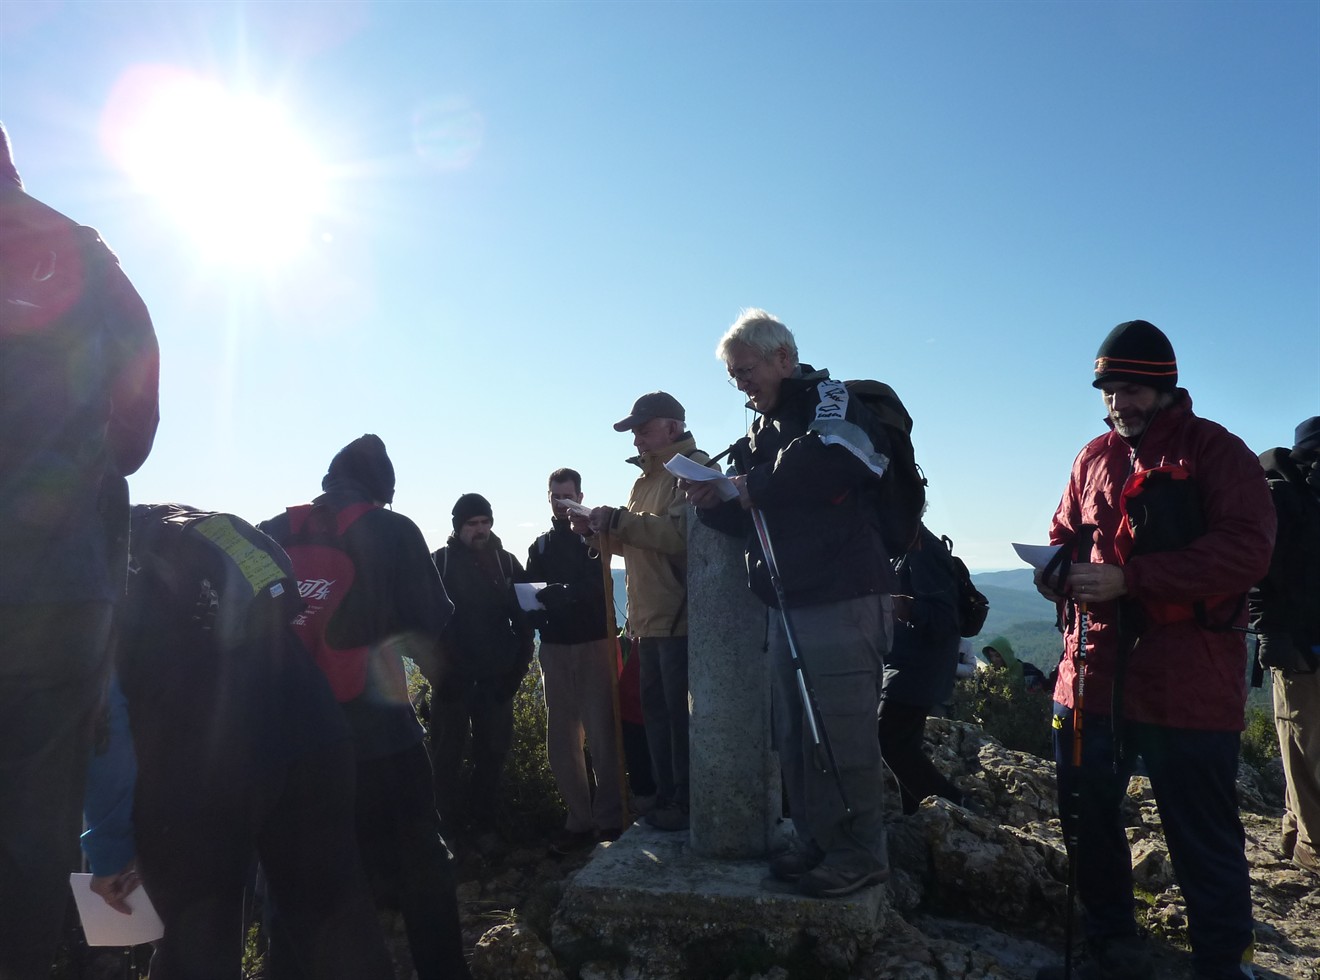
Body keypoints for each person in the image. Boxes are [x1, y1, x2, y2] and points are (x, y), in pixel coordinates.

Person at [1033, 320, 1274, 980]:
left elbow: (1247, 550)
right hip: (1091, 673)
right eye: (1108, 391)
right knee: (1087, 817)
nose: (1119, 403)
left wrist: (1132, 578)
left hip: (1187, 681)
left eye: (1132, 390)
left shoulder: (1217, 452)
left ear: (1166, 388)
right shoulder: (1092, 457)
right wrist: (1056, 570)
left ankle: (1223, 963)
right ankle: (1111, 942)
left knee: (1201, 833)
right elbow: (1064, 534)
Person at [82, 505, 393, 980]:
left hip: (201, 767)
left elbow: (105, 725)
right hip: (313, 732)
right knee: (336, 924)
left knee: (198, 942)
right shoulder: (184, 538)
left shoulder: (88, 577)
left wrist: (109, 853)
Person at [0, 121, 160, 977]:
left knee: (100, 802)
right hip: (72, 603)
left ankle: (111, 952)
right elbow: (136, 423)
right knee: (85, 810)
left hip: (76, 603)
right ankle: (111, 957)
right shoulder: (87, 254)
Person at [685, 309, 895, 899]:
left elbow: (835, 457)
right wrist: (713, 502)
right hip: (788, 601)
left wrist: (750, 485)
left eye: (745, 370)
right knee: (799, 735)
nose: (740, 384)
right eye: (732, 375)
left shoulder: (831, 398)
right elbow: (750, 517)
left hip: (843, 595)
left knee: (841, 732)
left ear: (782, 358)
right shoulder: (761, 432)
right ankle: (817, 840)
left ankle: (860, 853)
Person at [261, 435, 471, 980]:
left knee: (295, 880)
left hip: (291, 744)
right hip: (380, 737)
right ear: (383, 491)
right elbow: (431, 632)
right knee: (421, 863)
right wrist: (450, 699)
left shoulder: (273, 531)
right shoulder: (392, 530)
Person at [571, 391, 711, 832]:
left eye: (643, 430)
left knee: (678, 718)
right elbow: (638, 543)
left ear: (672, 427)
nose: (637, 440)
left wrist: (617, 521)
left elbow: (681, 536)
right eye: (635, 432)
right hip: (649, 619)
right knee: (657, 716)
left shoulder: (693, 469)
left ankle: (687, 804)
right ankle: (669, 799)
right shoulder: (645, 480)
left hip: (679, 616)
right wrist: (596, 532)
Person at [525, 468, 625, 852]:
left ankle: (610, 818)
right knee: (562, 740)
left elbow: (600, 585)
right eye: (556, 496)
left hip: (594, 643)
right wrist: (532, 612)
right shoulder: (540, 547)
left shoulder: (595, 539)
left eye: (568, 496)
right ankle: (579, 820)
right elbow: (530, 592)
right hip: (554, 647)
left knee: (603, 734)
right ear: (547, 498)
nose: (562, 503)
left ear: (581, 497)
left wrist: (568, 592)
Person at [431, 492, 535, 845]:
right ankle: (445, 835)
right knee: (445, 759)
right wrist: (439, 675)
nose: (480, 530)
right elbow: (420, 625)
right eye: (472, 524)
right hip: (452, 682)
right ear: (458, 526)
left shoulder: (506, 563)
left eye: (485, 522)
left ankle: (485, 828)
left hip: (496, 679)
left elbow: (525, 622)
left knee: (492, 756)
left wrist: (515, 673)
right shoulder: (439, 563)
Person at [1249, 416, 1320, 877]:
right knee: (1307, 749)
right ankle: (1313, 851)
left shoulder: (1306, 497)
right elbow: (1256, 571)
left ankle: (1297, 836)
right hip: (1297, 648)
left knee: (1304, 749)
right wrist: (1270, 633)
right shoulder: (1279, 498)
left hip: (1303, 643)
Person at [880, 524, 967, 815]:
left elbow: (944, 619)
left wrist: (903, 608)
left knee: (887, 737)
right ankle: (917, 814)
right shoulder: (906, 546)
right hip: (908, 664)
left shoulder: (924, 550)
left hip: (918, 668)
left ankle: (955, 806)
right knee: (903, 745)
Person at [981, 635, 1048, 692]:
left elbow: (1043, 688)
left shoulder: (1028, 670)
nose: (993, 659)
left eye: (997, 656)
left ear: (1006, 655)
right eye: (991, 656)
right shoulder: (989, 676)